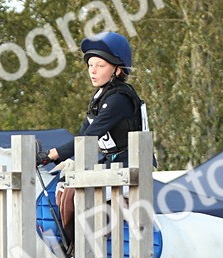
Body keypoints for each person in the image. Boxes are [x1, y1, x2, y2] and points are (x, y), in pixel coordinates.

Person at [39, 31, 148, 170]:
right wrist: (51, 156)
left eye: (100, 66)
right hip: (111, 162)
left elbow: (89, 137)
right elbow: (82, 135)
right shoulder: (101, 96)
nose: (93, 71)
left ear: (118, 70)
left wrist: (49, 155)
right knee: (64, 180)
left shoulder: (119, 99)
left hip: (130, 167)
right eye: (90, 65)